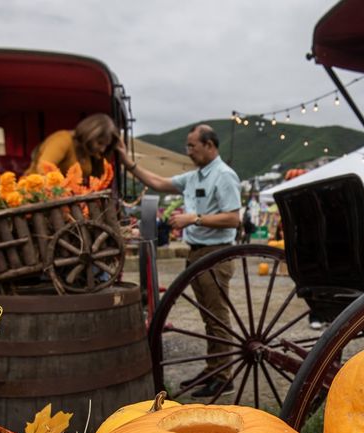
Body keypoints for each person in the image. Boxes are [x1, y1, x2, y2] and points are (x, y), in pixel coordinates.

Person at [119, 124, 242, 397]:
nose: (188, 151)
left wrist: (193, 218)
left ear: (210, 145)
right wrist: (129, 163)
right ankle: (214, 368)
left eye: (192, 146)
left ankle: (223, 376)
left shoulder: (224, 176)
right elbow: (160, 183)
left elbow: (234, 218)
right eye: (188, 146)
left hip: (216, 252)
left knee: (217, 315)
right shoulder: (195, 176)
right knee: (208, 316)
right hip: (197, 251)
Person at [27, 113, 121, 178]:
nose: (102, 150)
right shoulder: (63, 140)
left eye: (106, 146)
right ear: (89, 134)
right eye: (100, 143)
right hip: (34, 197)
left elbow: (100, 176)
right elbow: (43, 169)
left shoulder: (89, 151)